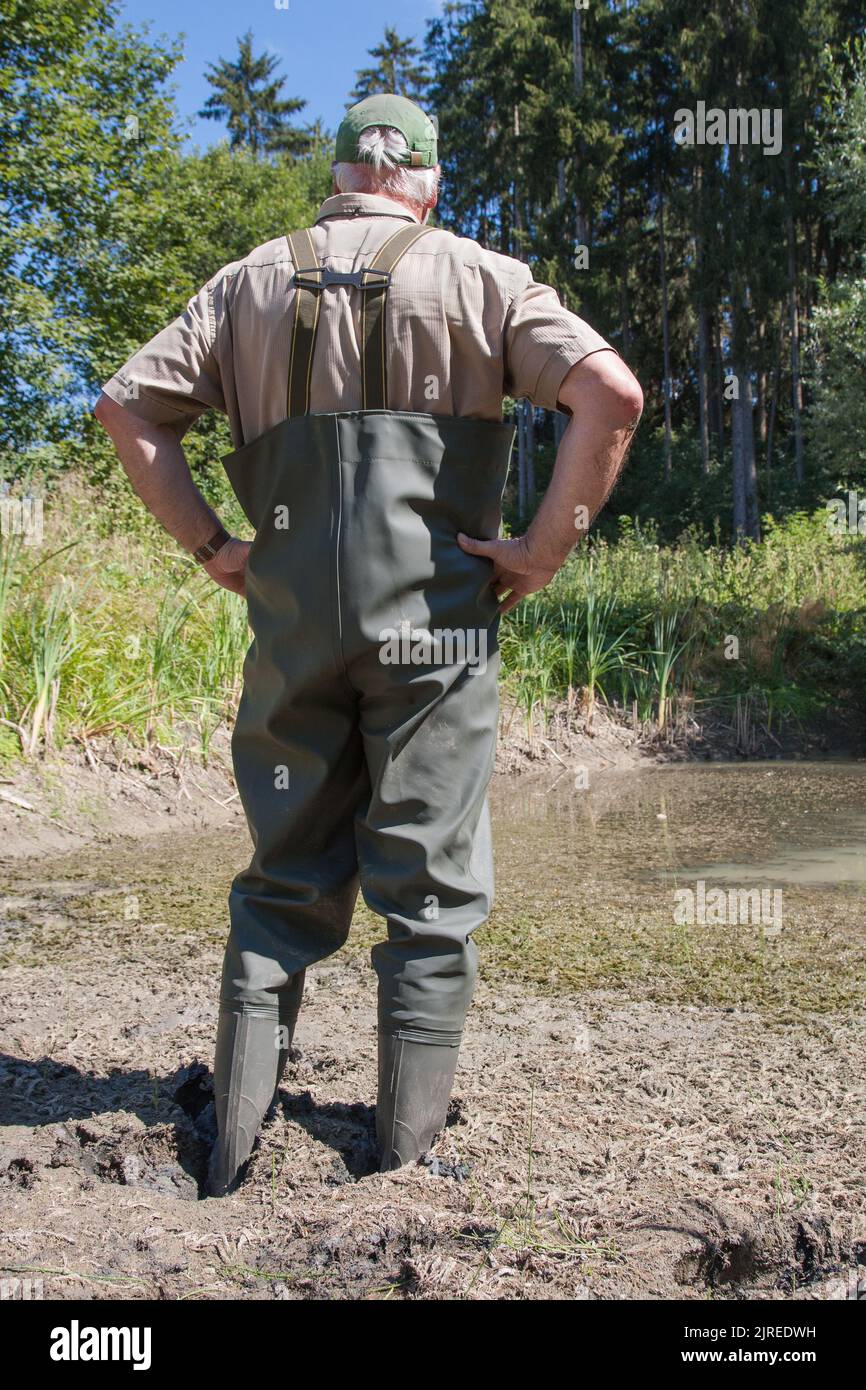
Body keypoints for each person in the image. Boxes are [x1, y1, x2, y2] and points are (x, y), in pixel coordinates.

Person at [94, 92, 643, 1195]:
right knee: (429, 891)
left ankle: (232, 1158)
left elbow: (124, 409)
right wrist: (542, 550)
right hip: (435, 638)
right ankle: (401, 1162)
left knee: (281, 878)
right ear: (426, 182)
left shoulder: (245, 283)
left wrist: (215, 547)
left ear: (339, 170)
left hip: (294, 628)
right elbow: (608, 393)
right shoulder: (480, 276)